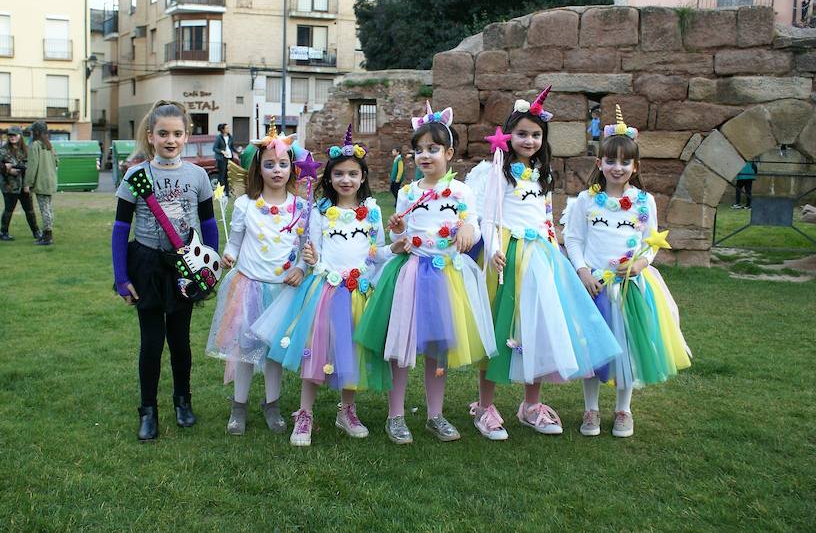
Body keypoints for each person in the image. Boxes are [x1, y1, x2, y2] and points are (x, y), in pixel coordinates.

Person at [465, 88, 621, 440]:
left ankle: (531, 404)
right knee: (498, 327)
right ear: (508, 135)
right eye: (522, 134)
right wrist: (492, 249)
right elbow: (487, 216)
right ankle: (485, 405)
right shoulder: (495, 172)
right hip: (507, 255)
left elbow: (547, 219)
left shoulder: (542, 174)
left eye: (536, 135)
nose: (529, 140)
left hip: (541, 258)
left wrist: (555, 252)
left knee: (539, 328)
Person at [251, 125, 407, 446]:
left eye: (352, 174)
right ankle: (304, 413)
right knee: (315, 352)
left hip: (358, 290)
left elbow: (374, 251)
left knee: (351, 352)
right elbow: (312, 248)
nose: (346, 180)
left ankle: (346, 410)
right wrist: (310, 257)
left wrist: (394, 247)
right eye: (339, 174)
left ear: (363, 178)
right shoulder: (320, 212)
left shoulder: (372, 212)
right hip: (325, 290)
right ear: (329, 178)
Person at [353, 103, 497, 445]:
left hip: (446, 277)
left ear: (449, 153)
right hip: (412, 274)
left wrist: (466, 228)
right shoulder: (408, 192)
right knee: (401, 347)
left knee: (437, 350)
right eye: (418, 151)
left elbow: (472, 224)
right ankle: (396, 415)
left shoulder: (461, 192)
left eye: (433, 149)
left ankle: (435, 414)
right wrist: (398, 228)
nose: (425, 156)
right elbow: (398, 235)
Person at [564, 108, 692, 438]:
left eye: (625, 162)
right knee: (594, 348)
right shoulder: (586, 201)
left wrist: (641, 263)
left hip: (630, 286)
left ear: (635, 166)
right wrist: (582, 271)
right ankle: (590, 408)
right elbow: (574, 238)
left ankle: (624, 409)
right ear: (599, 164)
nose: (617, 168)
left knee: (628, 348)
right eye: (611, 161)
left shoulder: (643, 201)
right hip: (593, 285)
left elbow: (651, 241)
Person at [112, 100, 219, 441]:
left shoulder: (198, 175)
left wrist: (210, 263)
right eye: (163, 134)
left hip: (184, 268)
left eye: (177, 133)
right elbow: (119, 228)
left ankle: (182, 402)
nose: (170, 140)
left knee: (180, 340)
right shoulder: (136, 176)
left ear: (186, 135)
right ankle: (148, 411)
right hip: (147, 265)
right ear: (150, 136)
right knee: (151, 343)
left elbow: (208, 222)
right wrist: (121, 277)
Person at [205, 120, 305, 436]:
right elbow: (235, 240)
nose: (277, 170)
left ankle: (272, 404)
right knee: (245, 351)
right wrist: (229, 254)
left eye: (283, 164)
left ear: (292, 168)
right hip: (249, 287)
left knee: (275, 351)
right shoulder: (247, 205)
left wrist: (301, 266)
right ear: (258, 169)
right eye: (269, 164)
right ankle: (239, 406)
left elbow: (304, 246)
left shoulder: (300, 207)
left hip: (283, 291)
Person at [0, 127, 40, 241]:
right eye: (10, 135)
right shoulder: (2, 150)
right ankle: (3, 232)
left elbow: (31, 166)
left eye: (14, 135)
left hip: (25, 185)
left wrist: (28, 183)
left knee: (30, 210)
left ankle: (36, 232)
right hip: (10, 185)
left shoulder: (27, 150)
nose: (12, 137)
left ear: (20, 136)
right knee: (8, 210)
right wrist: (8, 170)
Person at [24, 121, 59, 246]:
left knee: (44, 209)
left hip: (41, 182)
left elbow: (32, 166)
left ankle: (47, 236)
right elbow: (57, 161)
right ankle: (47, 234)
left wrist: (28, 183)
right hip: (50, 181)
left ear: (36, 132)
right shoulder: (49, 145)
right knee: (48, 208)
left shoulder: (35, 146)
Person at [213, 123, 234, 193]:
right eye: (227, 128)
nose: (228, 129)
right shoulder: (219, 138)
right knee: (221, 176)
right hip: (222, 159)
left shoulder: (230, 137)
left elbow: (232, 148)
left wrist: (238, 151)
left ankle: (227, 193)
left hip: (229, 158)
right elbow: (214, 148)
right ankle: (219, 193)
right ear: (223, 130)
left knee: (228, 176)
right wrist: (222, 151)